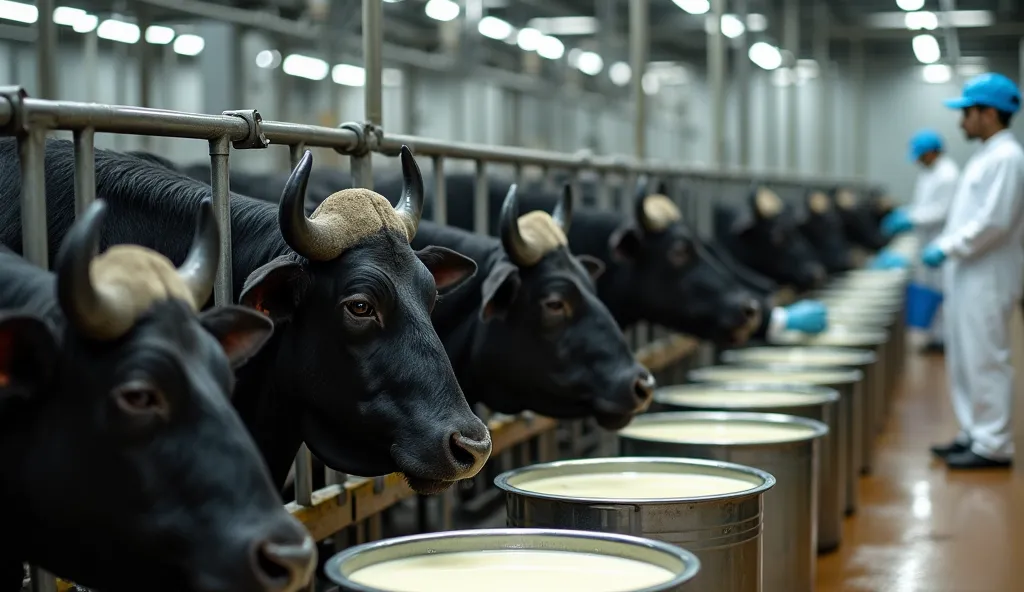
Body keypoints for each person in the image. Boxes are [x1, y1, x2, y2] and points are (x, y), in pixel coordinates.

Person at [921, 72, 1024, 469]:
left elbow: (994, 222)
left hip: (989, 277)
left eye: (968, 112)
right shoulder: (986, 156)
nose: (962, 121)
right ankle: (974, 432)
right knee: (965, 357)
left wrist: (946, 246)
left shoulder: (1008, 158)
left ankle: (994, 444)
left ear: (990, 113)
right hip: (970, 274)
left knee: (987, 359)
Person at [880, 129, 960, 353]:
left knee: (942, 291)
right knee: (930, 290)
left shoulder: (948, 174)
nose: (918, 161)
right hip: (927, 241)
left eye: (920, 155)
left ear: (932, 153)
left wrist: (910, 218)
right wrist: (908, 212)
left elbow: (941, 211)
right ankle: (934, 336)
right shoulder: (930, 172)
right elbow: (923, 205)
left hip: (940, 242)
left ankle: (943, 338)